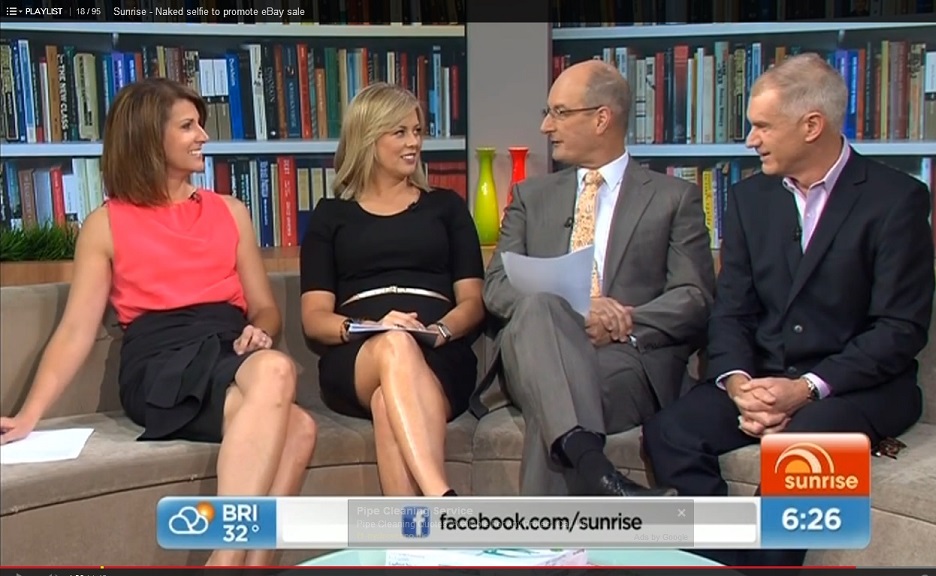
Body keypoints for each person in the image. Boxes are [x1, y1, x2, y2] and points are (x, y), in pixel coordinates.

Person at [0, 78, 318, 566]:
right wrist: (29, 415)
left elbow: (265, 307)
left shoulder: (231, 212)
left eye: (200, 125)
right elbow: (76, 330)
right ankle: (227, 558)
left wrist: (261, 329)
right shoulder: (106, 224)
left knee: (298, 422)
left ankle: (242, 564)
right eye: (188, 126)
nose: (203, 136)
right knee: (287, 400)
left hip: (227, 346)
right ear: (150, 137)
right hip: (159, 362)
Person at [642, 53, 936, 568]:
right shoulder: (749, 199)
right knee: (671, 430)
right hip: (764, 378)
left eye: (762, 127)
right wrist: (738, 383)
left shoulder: (896, 200)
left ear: (811, 126)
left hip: (858, 387)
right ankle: (719, 555)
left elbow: (900, 329)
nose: (750, 140)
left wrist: (806, 389)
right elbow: (731, 311)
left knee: (804, 451)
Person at [472, 60, 716, 497]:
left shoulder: (673, 198)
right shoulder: (531, 196)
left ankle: (577, 481)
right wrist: (578, 310)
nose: (546, 126)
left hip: (622, 358)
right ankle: (598, 476)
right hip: (534, 347)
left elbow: (693, 296)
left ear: (602, 118)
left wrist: (623, 319)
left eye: (560, 113)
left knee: (555, 397)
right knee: (540, 306)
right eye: (547, 113)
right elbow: (497, 287)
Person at [299, 82, 485, 498]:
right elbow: (314, 319)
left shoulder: (447, 206)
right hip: (359, 356)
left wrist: (439, 331)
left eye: (417, 131)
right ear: (368, 138)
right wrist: (373, 327)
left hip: (439, 353)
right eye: (399, 132)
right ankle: (441, 496)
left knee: (388, 404)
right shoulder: (331, 216)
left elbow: (474, 301)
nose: (413, 142)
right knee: (395, 344)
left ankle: (410, 533)